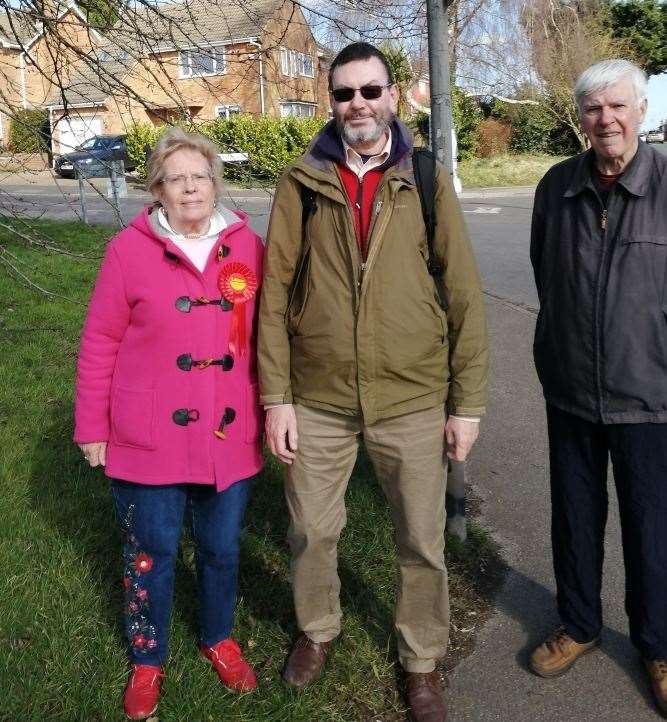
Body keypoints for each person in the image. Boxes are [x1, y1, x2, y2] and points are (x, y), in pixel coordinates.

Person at [258, 42, 488, 722]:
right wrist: (277, 397)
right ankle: (317, 629)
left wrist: (466, 404)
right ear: (329, 102)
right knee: (310, 531)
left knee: (420, 540)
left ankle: (420, 661)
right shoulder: (300, 180)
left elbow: (464, 294)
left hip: (412, 394)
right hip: (320, 395)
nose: (356, 104)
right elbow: (273, 295)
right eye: (343, 93)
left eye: (368, 91)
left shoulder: (423, 174)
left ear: (392, 95)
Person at [74, 128, 264, 720]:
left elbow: (271, 335)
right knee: (149, 552)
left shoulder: (249, 246)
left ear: (216, 183)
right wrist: (92, 428)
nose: (190, 187)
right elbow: (100, 341)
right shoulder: (126, 251)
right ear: (156, 188)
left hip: (227, 432)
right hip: (147, 431)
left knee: (222, 549)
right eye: (176, 177)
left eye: (200, 176)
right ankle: (148, 656)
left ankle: (218, 635)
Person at [529, 59, 667, 716]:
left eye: (616, 106)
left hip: (652, 396)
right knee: (574, 522)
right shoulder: (556, 186)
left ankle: (658, 645)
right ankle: (579, 624)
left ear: (640, 110)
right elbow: (545, 276)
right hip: (572, 394)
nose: (604, 119)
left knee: (653, 528)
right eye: (592, 109)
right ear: (579, 118)